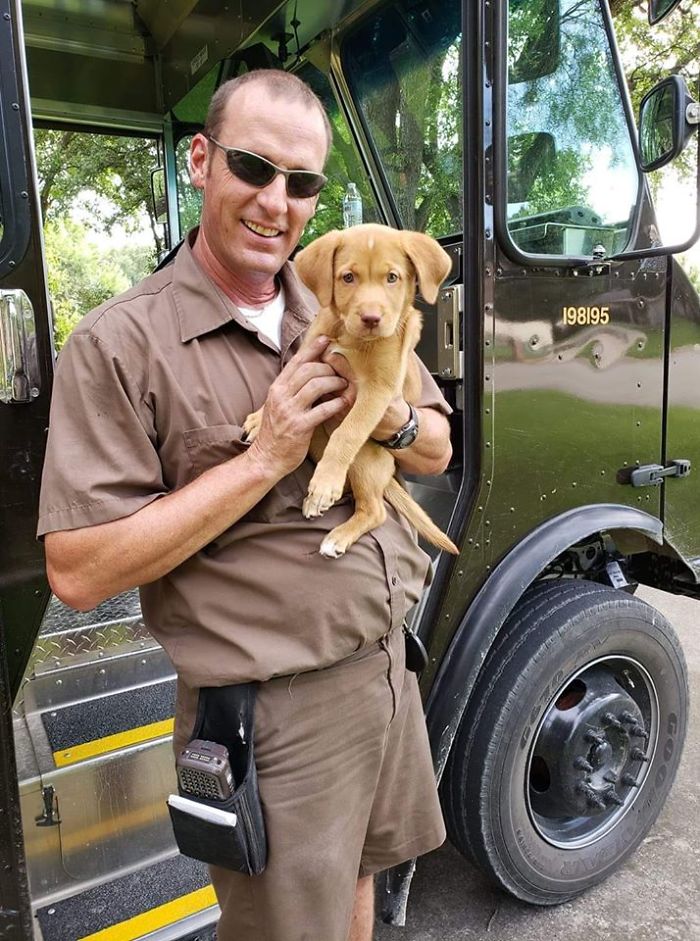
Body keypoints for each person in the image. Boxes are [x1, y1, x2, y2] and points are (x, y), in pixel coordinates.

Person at [38, 69, 453, 941]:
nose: (276, 200)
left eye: (301, 183)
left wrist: (392, 416)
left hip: (382, 671)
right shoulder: (121, 343)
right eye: (255, 168)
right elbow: (77, 572)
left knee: (362, 884)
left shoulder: (345, 297)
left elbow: (437, 447)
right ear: (201, 160)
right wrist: (265, 458)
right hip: (272, 718)